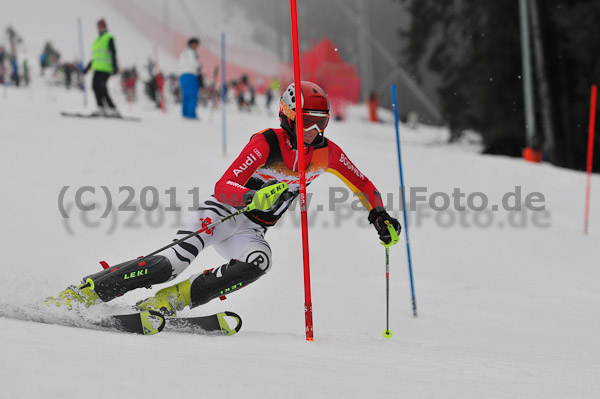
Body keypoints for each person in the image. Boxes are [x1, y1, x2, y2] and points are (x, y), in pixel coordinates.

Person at [45, 81, 401, 316]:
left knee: (260, 261)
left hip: (251, 231)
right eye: (308, 121)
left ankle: (168, 301)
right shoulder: (267, 143)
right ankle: (87, 292)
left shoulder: (327, 153)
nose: (316, 131)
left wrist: (378, 215)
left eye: (322, 122)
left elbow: (363, 184)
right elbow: (224, 186)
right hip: (221, 215)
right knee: (169, 264)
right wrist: (253, 196)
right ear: (289, 115)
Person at [84, 18, 119, 117]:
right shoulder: (97, 40)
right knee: (95, 87)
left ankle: (112, 108)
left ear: (105, 26)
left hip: (106, 68)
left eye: (101, 25)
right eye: (98, 26)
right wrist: (87, 68)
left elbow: (113, 52)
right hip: (97, 68)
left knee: (102, 87)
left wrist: (114, 66)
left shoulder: (109, 37)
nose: (99, 28)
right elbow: (96, 57)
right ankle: (101, 107)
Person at [178, 37, 201, 119]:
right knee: (192, 95)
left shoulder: (183, 53)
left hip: (182, 75)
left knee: (186, 95)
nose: (197, 46)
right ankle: (191, 114)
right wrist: (199, 66)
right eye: (196, 44)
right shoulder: (191, 52)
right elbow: (194, 63)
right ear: (192, 44)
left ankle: (185, 113)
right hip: (190, 74)